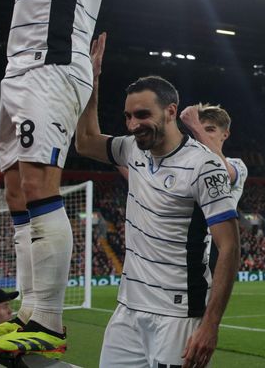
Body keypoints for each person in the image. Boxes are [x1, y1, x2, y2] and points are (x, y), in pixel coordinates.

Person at [0, 0, 143, 356]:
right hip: (20, 74)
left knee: (38, 184)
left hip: (50, 70)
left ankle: (49, 324)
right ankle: (29, 312)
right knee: (16, 193)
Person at [75, 33, 240, 368]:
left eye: (142, 115)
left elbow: (230, 247)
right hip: (128, 310)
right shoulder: (131, 149)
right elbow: (86, 142)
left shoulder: (203, 166)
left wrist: (210, 325)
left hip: (178, 315)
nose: (134, 125)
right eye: (128, 117)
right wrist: (91, 79)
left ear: (170, 111)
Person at [180, 103, 248, 274]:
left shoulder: (236, 165)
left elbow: (222, 171)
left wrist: (195, 126)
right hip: (178, 253)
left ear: (225, 134)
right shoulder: (185, 167)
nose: (201, 134)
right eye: (199, 129)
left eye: (209, 130)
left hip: (211, 254)